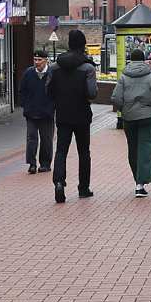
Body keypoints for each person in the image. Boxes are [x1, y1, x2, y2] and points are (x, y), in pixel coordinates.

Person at [112, 48, 151, 196]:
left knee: (132, 149)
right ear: (144, 60)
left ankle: (137, 180)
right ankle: (141, 183)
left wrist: (122, 110)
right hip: (148, 118)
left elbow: (116, 98)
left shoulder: (124, 78)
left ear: (131, 60)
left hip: (129, 118)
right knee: (145, 149)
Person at [48, 29, 99, 203]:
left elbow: (49, 90)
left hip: (62, 115)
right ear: (83, 45)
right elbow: (92, 93)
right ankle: (83, 188)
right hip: (82, 115)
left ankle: (59, 182)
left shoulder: (55, 67)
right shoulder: (88, 68)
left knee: (61, 150)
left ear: (69, 44)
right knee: (84, 152)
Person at [17, 49, 54, 174]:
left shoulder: (51, 74)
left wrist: (52, 107)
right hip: (31, 113)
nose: (37, 62)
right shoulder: (28, 73)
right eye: (35, 59)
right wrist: (25, 105)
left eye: (39, 60)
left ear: (46, 60)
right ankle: (32, 164)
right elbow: (22, 91)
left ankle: (45, 164)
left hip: (47, 114)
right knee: (31, 138)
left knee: (46, 139)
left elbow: (57, 92)